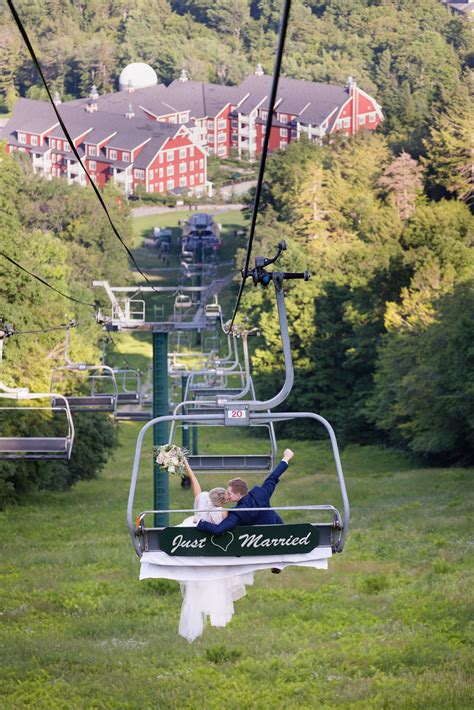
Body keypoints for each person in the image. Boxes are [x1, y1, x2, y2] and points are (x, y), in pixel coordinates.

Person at [177, 458, 253, 643]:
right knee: (219, 584)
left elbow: (195, 482)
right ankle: (216, 612)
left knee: (197, 587)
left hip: (197, 551)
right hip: (212, 552)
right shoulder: (222, 514)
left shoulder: (202, 499)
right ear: (222, 501)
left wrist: (186, 465)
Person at [196, 448, 294, 536]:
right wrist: (286, 457)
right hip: (279, 528)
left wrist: (199, 522)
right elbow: (273, 477)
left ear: (238, 495)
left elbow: (217, 530)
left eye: (229, 493)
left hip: (264, 539)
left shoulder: (238, 513)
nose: (226, 495)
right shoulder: (261, 493)